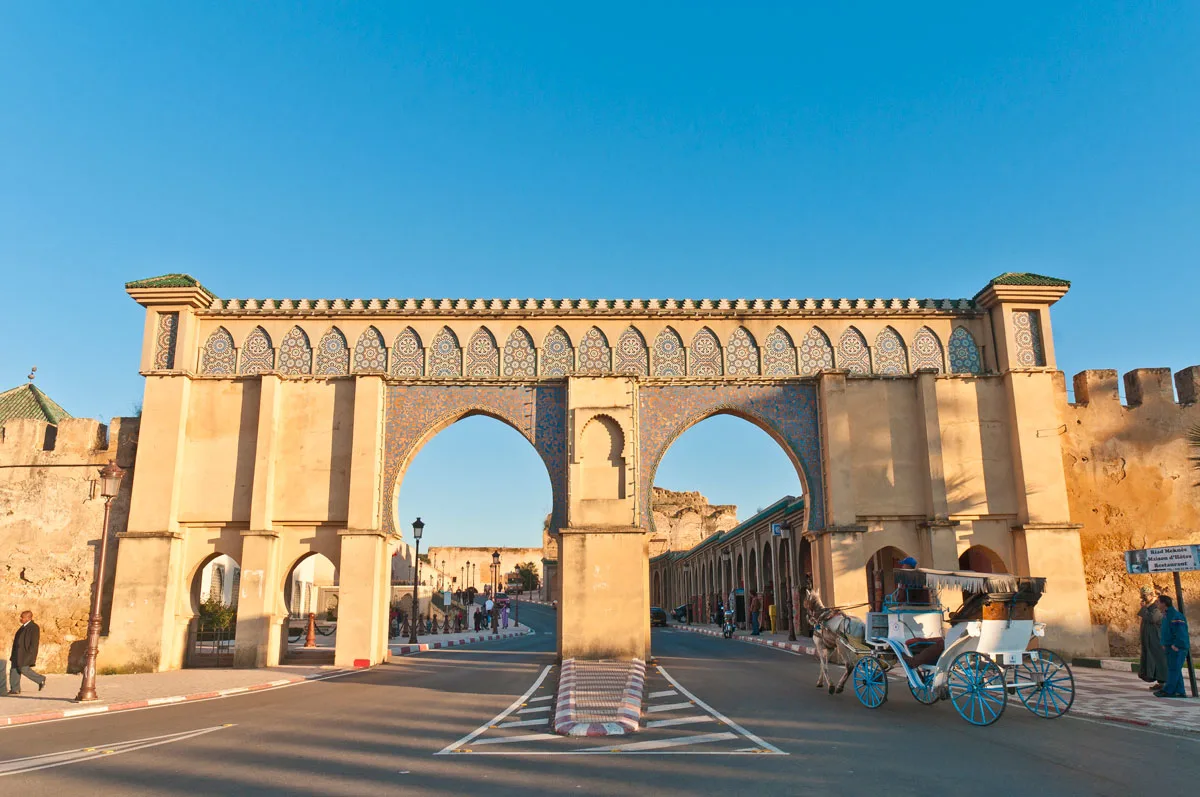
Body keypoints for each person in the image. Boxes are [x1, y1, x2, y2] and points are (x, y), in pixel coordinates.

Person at [1156, 594, 1190, 699]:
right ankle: (1180, 692)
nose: (1156, 604)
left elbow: (1181, 633)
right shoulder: (1166, 615)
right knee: (1174, 669)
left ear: (1164, 603)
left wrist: (1176, 645)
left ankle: (1168, 690)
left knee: (1173, 670)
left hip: (1176, 648)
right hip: (1169, 647)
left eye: (1158, 602)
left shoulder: (1175, 616)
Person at [8, 610, 46, 696]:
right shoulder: (23, 627)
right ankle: (15, 689)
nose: (20, 619)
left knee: (23, 669)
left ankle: (40, 679)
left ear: (28, 618)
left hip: (25, 653)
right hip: (16, 653)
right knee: (14, 669)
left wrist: (30, 654)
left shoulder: (34, 627)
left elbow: (34, 642)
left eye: (22, 617)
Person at [1137, 586, 1167, 691]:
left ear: (1151, 595)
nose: (1144, 598)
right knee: (1152, 660)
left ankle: (1164, 682)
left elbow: (1153, 618)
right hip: (1149, 640)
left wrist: (1144, 608)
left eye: (1145, 596)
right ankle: (1160, 681)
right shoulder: (1149, 606)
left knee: (1160, 660)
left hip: (1157, 639)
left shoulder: (1156, 607)